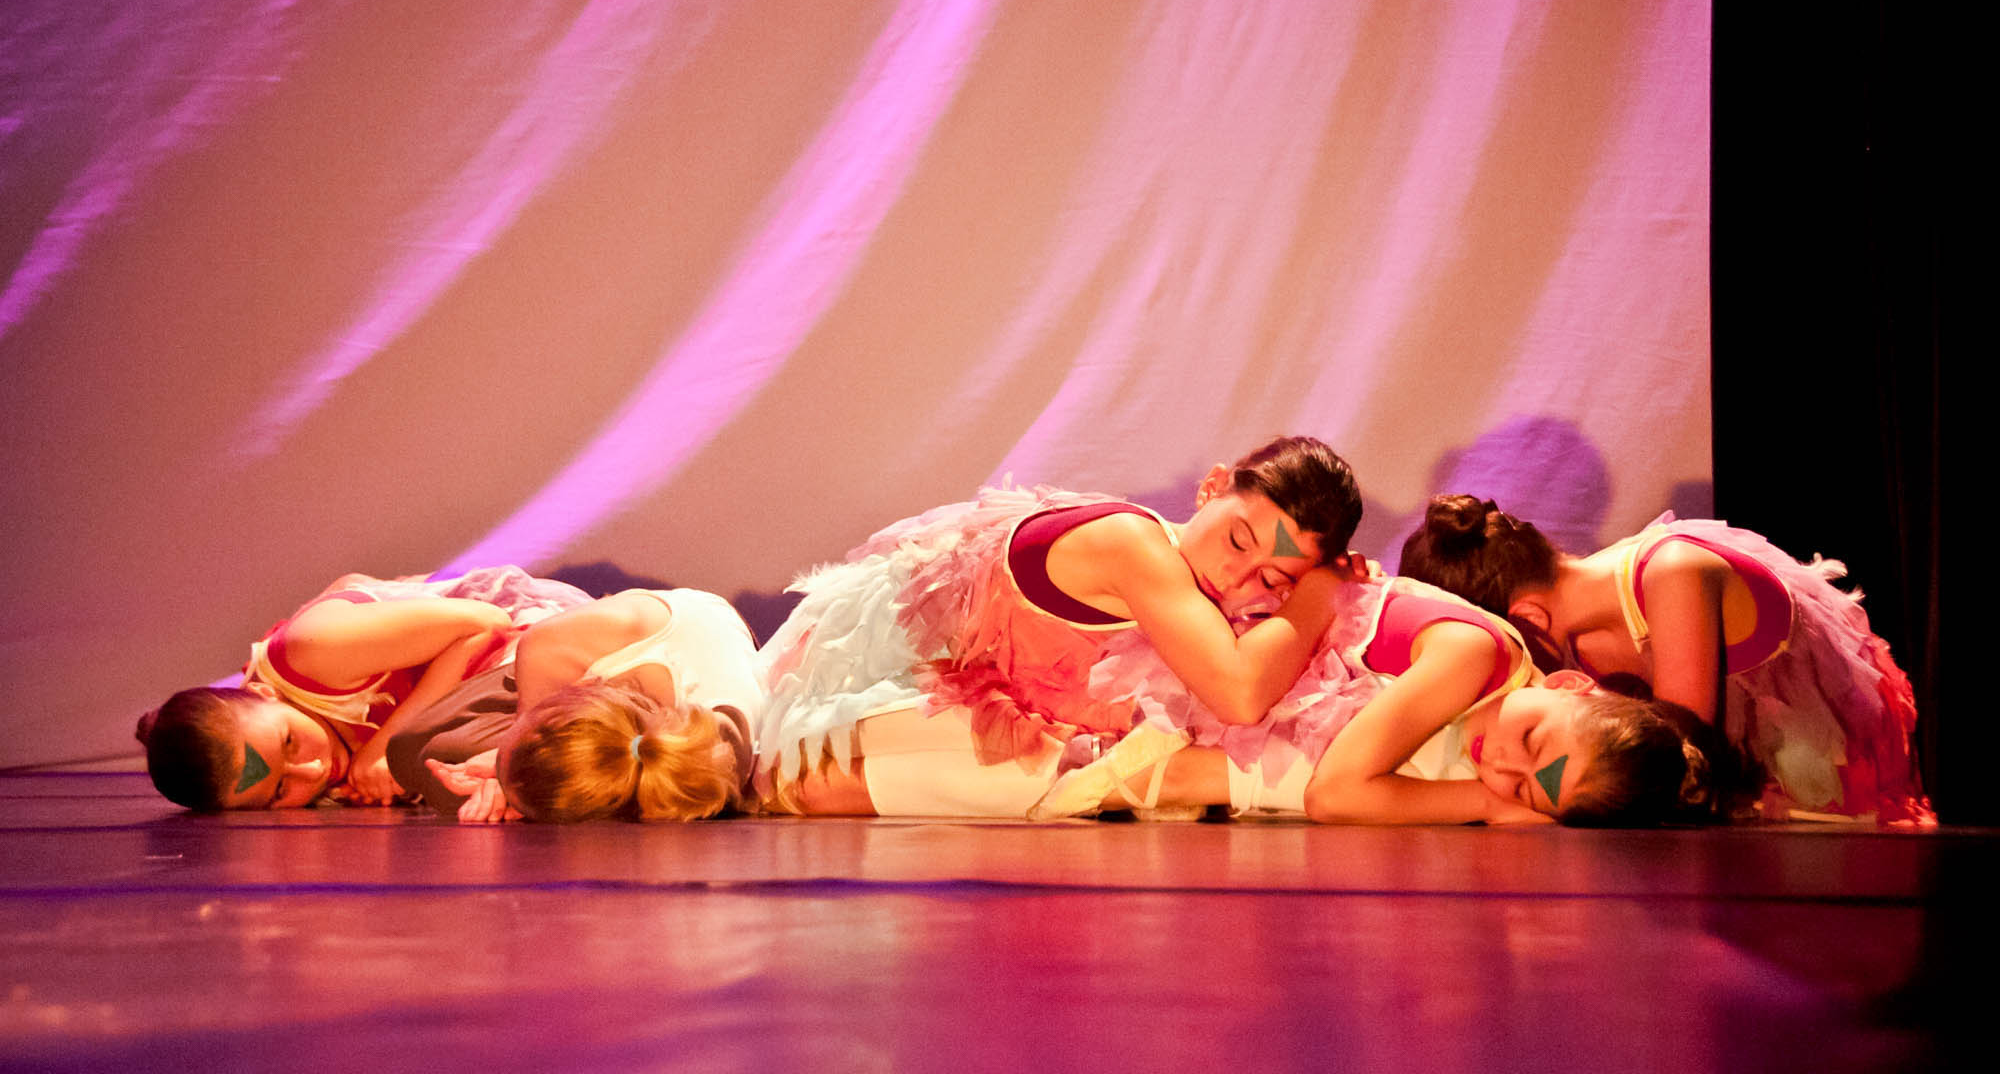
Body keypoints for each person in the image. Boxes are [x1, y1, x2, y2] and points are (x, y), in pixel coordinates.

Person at [756, 436, 1365, 818]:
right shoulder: (1135, 546)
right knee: (1067, 776)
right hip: (863, 682)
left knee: (1090, 770)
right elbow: (1239, 694)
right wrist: (1317, 592)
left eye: (1271, 578)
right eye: (1237, 540)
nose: (1236, 578)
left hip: (954, 699)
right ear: (1211, 488)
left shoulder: (1194, 588)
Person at [1035, 572, 1749, 826]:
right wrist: (1495, 806)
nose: (1500, 763)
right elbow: (1333, 796)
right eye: (1532, 743)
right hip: (1180, 640)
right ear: (1564, 683)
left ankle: (1159, 772)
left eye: (1527, 788)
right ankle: (1149, 767)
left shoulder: (1498, 723)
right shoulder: (1473, 659)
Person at [1397, 495, 1933, 825]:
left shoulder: (1672, 572)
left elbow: (1680, 747)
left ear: (1527, 618)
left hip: (1812, 749)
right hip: (1730, 777)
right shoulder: (1575, 634)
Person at [136, 567, 592, 811]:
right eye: (279, 791)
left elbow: (484, 624)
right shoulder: (288, 745)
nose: (313, 770)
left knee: (459, 759)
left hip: (532, 638)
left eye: (289, 743)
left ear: (263, 694)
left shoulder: (310, 651)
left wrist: (384, 745)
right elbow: (350, 584)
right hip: (488, 691)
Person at [427, 587, 761, 823]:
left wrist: (514, 794)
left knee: (446, 760)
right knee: (441, 754)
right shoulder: (552, 645)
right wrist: (506, 780)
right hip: (663, 624)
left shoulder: (689, 772)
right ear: (581, 687)